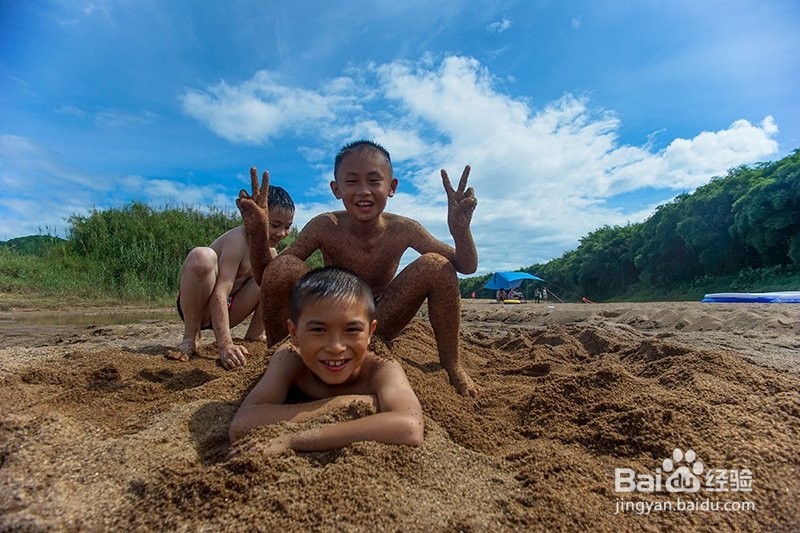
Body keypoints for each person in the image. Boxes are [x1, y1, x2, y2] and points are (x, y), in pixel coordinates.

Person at [236, 140, 479, 396]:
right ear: (336, 189)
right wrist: (257, 234)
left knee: (437, 265)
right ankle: (279, 358)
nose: (364, 191)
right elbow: (269, 276)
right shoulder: (324, 226)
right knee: (284, 265)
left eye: (374, 181)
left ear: (392, 187)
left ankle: (452, 365)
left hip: (381, 318)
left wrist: (461, 231)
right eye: (352, 182)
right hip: (334, 316)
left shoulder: (404, 229)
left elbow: (465, 265)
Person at [228, 266, 424, 452]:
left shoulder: (381, 368)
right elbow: (243, 424)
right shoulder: (290, 358)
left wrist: (295, 439)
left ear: (370, 332)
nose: (336, 347)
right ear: (294, 334)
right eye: (318, 330)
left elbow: (409, 426)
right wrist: (340, 403)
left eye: (352, 330)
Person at [168, 181, 295, 369]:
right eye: (275, 225)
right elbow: (220, 292)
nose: (281, 233)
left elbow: (268, 292)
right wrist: (225, 345)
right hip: (198, 307)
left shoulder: (270, 253)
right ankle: (190, 337)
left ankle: (255, 334)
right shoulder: (238, 239)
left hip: (229, 309)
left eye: (288, 227)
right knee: (201, 256)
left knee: (275, 273)